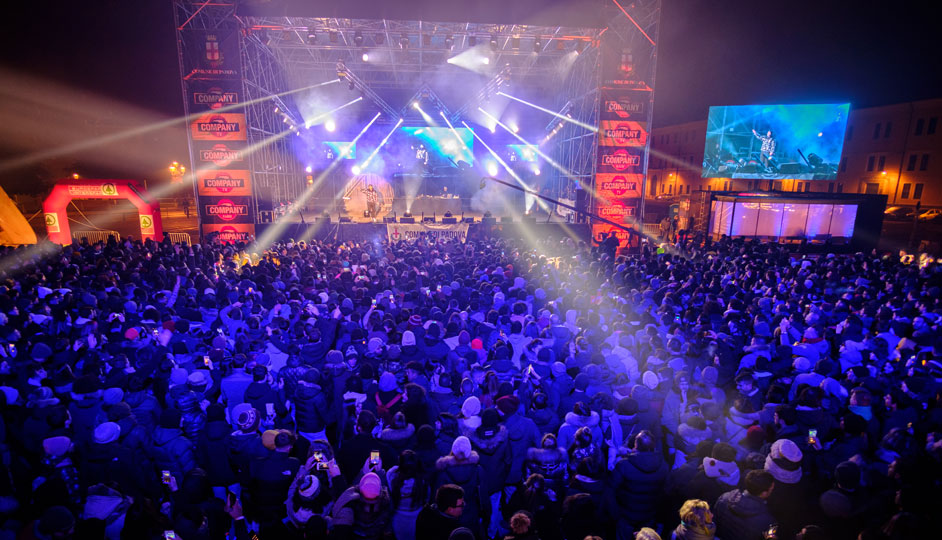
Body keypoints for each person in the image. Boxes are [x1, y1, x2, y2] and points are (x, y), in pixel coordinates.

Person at [713, 469, 776, 540]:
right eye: (771, 489)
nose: (772, 491)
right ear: (764, 493)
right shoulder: (768, 521)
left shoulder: (724, 498)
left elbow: (713, 524)